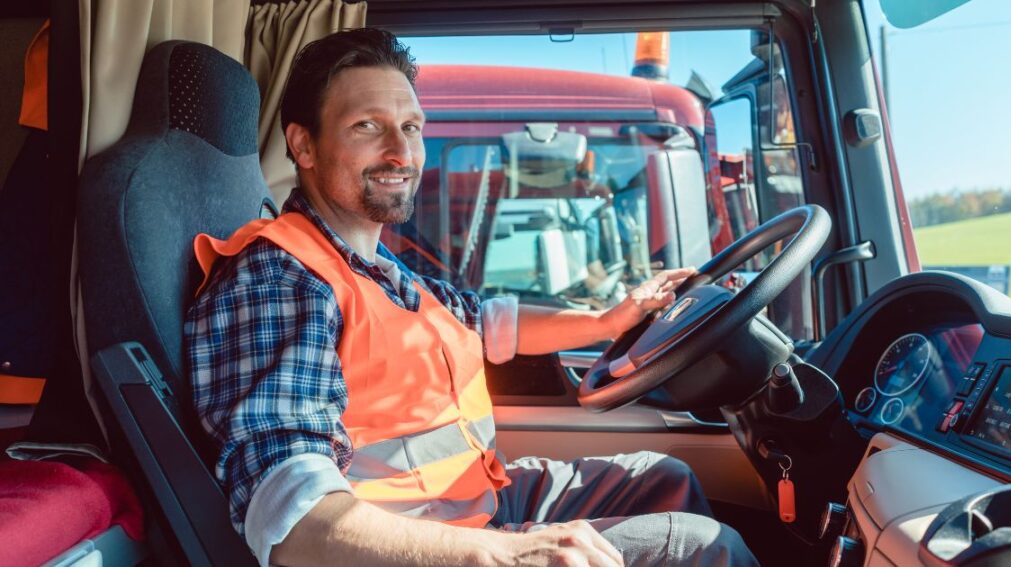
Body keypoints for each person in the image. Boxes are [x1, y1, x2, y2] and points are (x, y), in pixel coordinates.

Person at [185, 28, 758, 567]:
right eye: (367, 126)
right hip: (418, 540)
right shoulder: (280, 278)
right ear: (303, 146)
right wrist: (502, 554)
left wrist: (610, 320)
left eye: (411, 127)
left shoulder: (374, 268)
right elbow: (293, 516)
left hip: (473, 499)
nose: (400, 152)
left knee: (667, 478)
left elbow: (483, 321)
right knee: (706, 548)